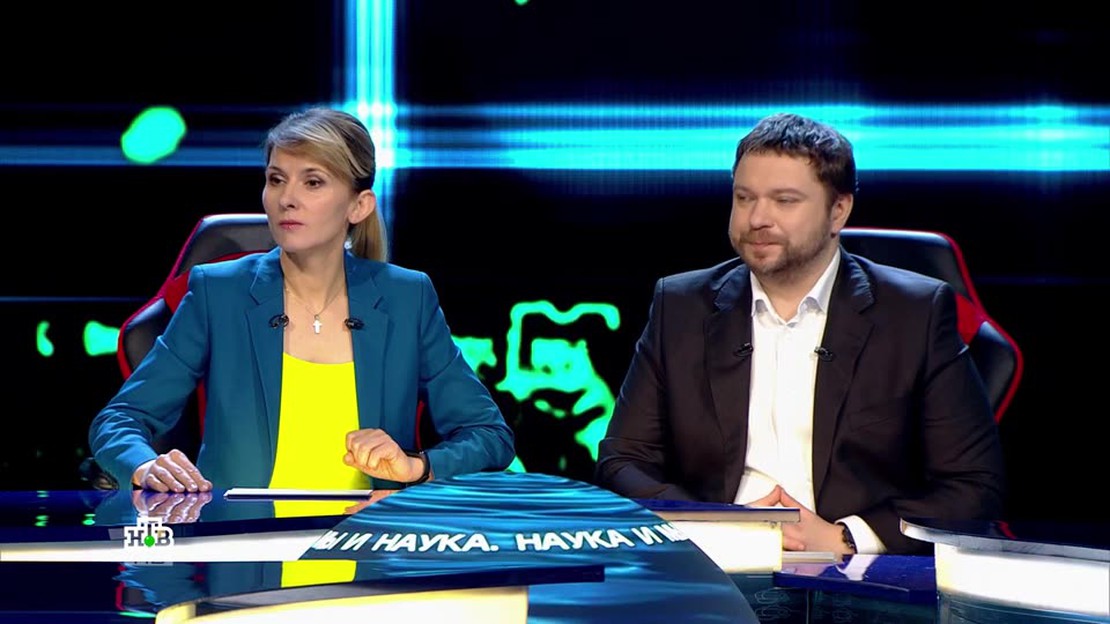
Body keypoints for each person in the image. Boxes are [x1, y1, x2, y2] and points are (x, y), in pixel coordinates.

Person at [595, 112, 1005, 555]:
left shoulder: (915, 314)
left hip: (855, 572)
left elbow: (973, 484)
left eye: (784, 201)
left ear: (838, 210)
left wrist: (845, 537)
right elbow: (622, 461)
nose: (757, 218)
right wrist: (718, 526)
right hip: (716, 560)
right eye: (744, 198)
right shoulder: (680, 306)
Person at [89, 107, 515, 496]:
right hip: (242, 543)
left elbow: (489, 435)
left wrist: (416, 467)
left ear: (359, 206)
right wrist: (144, 465)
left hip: (368, 543)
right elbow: (119, 419)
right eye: (276, 179)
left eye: (312, 182)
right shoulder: (217, 293)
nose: (286, 198)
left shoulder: (407, 298)